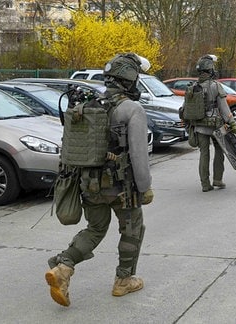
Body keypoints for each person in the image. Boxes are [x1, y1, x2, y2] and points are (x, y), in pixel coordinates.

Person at [45, 53, 154, 307]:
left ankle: (63, 267)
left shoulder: (89, 104)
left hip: (88, 183)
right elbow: (139, 155)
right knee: (132, 228)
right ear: (130, 80)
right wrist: (145, 188)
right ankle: (123, 281)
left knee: (95, 228)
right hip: (122, 187)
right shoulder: (131, 108)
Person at [191, 54, 236, 192]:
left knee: (204, 154)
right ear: (210, 70)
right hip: (216, 126)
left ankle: (205, 184)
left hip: (199, 126)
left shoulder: (193, 86)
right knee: (219, 151)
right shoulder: (216, 86)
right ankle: (218, 180)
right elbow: (224, 107)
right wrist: (232, 123)